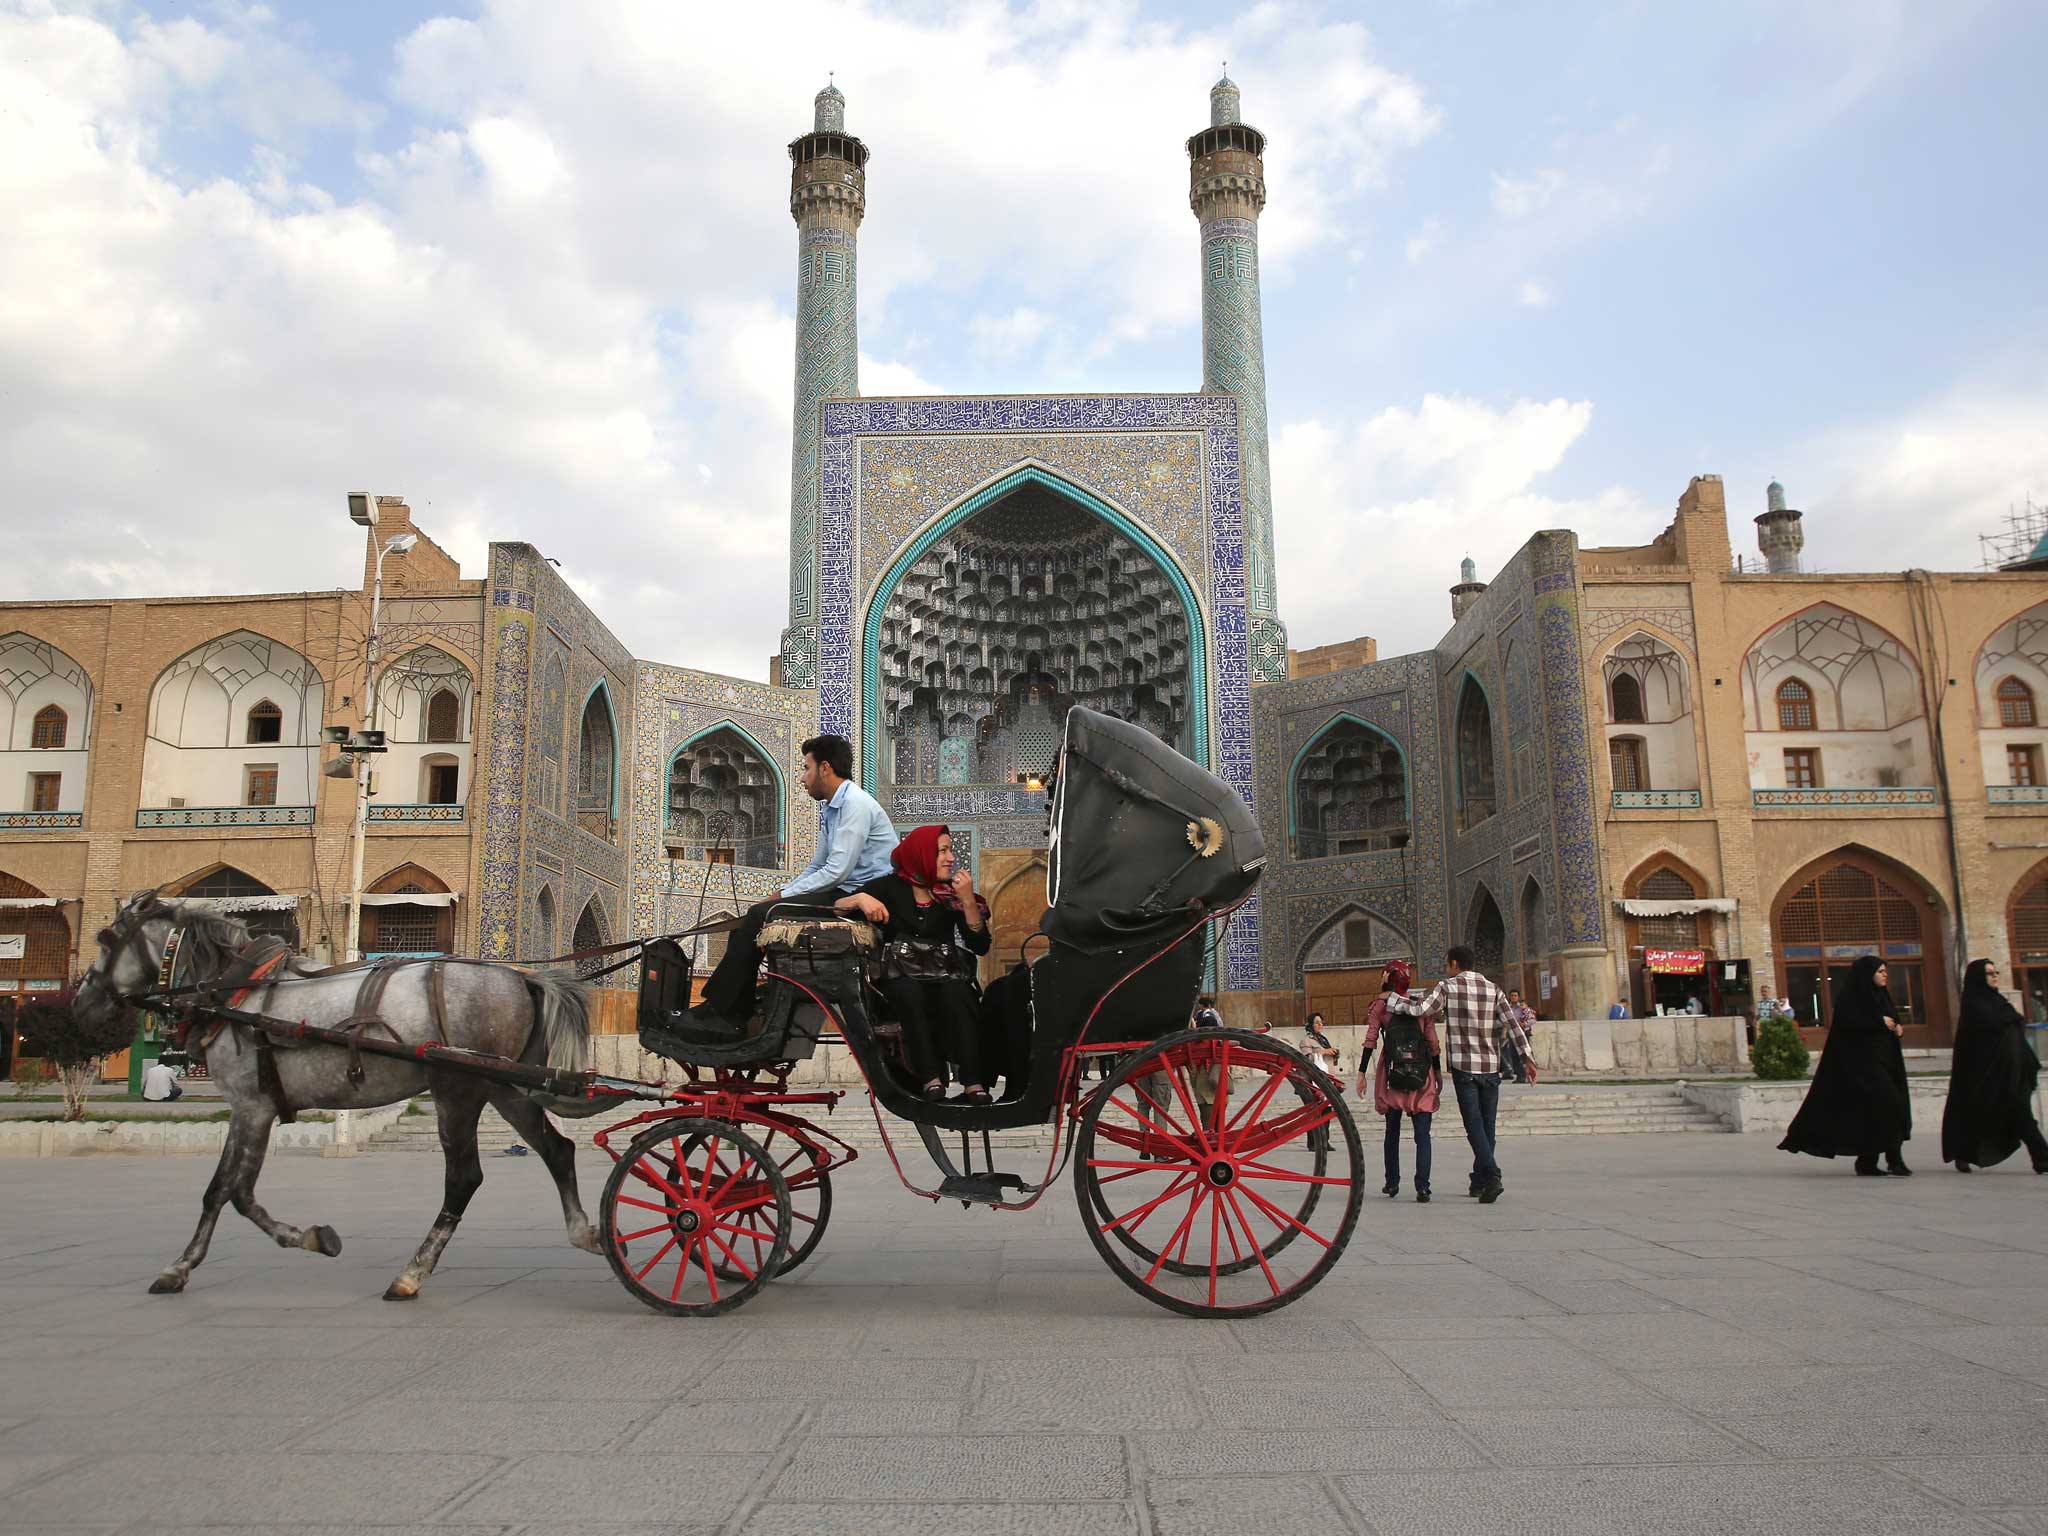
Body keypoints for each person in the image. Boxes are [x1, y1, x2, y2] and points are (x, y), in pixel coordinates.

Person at [694, 734, 898, 1025]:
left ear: (824, 768)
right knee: (749, 921)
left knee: (760, 915)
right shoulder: (833, 807)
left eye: (806, 768)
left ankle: (723, 1012)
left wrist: (784, 896)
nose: (803, 778)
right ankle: (730, 1005)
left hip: (861, 897)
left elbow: (837, 871)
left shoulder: (855, 804)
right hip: (843, 891)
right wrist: (784, 892)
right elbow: (818, 865)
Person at [836, 824, 992, 1102]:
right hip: (899, 979)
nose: (951, 858)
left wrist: (967, 902)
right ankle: (929, 1078)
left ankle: (973, 1082)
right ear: (921, 854)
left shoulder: (948, 895)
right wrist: (860, 898)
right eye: (942, 851)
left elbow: (980, 945)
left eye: (950, 850)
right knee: (909, 992)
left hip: (943, 978)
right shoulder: (886, 887)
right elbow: (837, 907)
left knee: (960, 993)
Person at [1385, 946, 1536, 1204]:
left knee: (1474, 1125)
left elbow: (1421, 1009)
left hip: (1465, 1068)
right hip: (1490, 1066)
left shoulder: (1448, 987)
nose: (1446, 968)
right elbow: (1513, 1024)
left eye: (1447, 964)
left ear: (1455, 964)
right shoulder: (1493, 988)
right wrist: (1527, 1058)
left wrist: (1391, 1001)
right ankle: (1479, 1181)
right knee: (1487, 1126)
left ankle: (1492, 1175)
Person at [1778, 955, 1913, 1176]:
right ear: (1867, 975)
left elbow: (1891, 1020)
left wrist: (1897, 1027)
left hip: (1887, 1063)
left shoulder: (1882, 996)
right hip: (1864, 1068)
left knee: (1884, 1111)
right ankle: (1886, 1160)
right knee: (1887, 1106)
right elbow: (1849, 1025)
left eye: (1885, 971)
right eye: (1880, 972)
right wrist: (1878, 1022)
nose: (1885, 975)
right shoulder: (1852, 998)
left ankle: (1874, 1161)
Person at [1943, 959, 2048, 1174]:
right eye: (1989, 973)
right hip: (1989, 1074)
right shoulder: (1974, 1004)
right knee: (1994, 1115)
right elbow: (1983, 1036)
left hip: (2013, 1072)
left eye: (1995, 972)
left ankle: (2042, 1159)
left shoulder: (1997, 1001)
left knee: (2021, 1115)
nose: (1994, 976)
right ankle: (1965, 1153)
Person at [1358, 959, 1440, 1203]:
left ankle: (1392, 1183)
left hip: (1392, 1074)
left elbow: (1371, 1040)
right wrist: (1436, 1073)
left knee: (1391, 1131)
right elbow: (1433, 1043)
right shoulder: (1420, 1006)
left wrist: (1361, 1073)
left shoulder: (1380, 1006)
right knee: (1422, 1135)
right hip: (1420, 1073)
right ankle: (1422, 1186)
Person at [1502, 989, 1537, 1083]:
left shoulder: (1523, 1008)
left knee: (1525, 1054)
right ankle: (1520, 1076)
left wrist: (1524, 1024)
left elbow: (1532, 1019)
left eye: (1515, 995)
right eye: (1512, 995)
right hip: (1512, 1034)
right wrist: (1504, 1032)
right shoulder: (1507, 1008)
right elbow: (1506, 1021)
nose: (1513, 997)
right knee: (1513, 1055)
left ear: (1518, 997)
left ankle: (1530, 1073)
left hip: (1523, 1033)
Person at [1301, 1011, 1340, 1078]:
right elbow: (1306, 1060)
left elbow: (1332, 1061)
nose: (1320, 1024)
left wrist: (1335, 1054)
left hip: (1330, 1077)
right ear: (1311, 1025)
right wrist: (1323, 1052)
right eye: (1317, 1022)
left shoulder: (1323, 1040)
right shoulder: (1306, 1040)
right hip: (1318, 1079)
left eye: (1321, 1022)